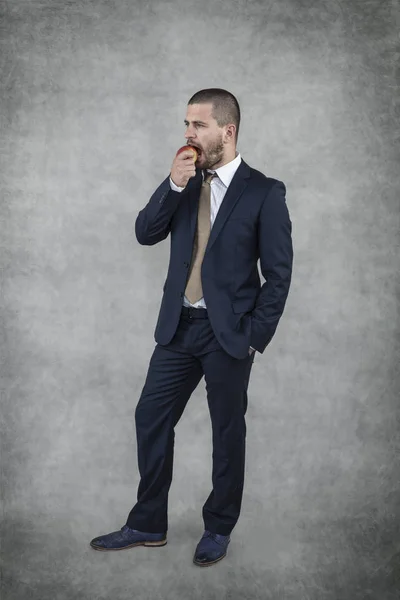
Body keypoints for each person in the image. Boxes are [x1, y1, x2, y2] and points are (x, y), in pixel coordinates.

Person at [90, 88, 293, 567]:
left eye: (198, 126)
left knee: (227, 433)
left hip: (229, 335)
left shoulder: (265, 191)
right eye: (186, 124)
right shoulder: (185, 181)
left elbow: (279, 275)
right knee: (151, 417)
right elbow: (145, 232)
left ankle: (218, 528)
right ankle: (147, 524)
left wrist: (253, 339)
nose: (188, 134)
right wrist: (173, 184)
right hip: (178, 326)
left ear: (228, 131)